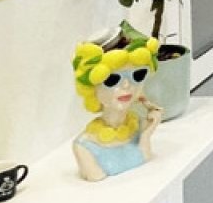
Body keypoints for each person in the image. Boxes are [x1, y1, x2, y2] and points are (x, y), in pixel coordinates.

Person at [70, 39, 163, 181]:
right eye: (112, 79)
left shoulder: (140, 126)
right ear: (91, 88)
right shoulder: (84, 147)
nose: (126, 85)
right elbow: (96, 179)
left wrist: (146, 135)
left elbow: (146, 157)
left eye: (137, 75)